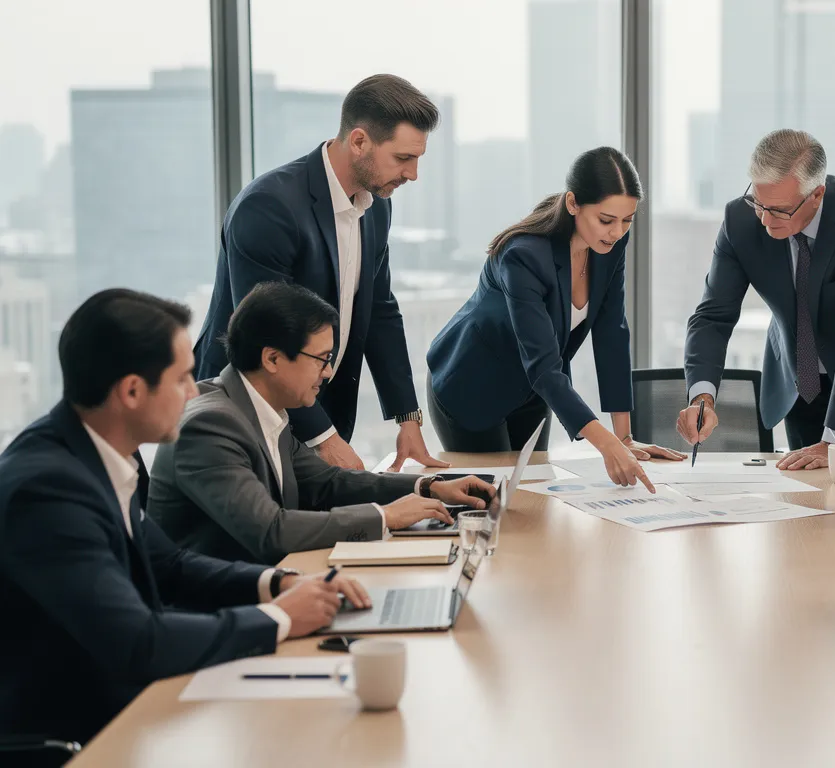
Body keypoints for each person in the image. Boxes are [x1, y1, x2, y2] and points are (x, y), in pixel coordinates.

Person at [0, 289, 372, 749]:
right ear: (132, 391)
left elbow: (170, 564)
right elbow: (136, 641)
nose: (194, 392)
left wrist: (278, 584)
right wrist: (276, 618)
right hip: (79, 732)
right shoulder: (48, 490)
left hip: (129, 700)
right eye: (181, 380)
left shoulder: (103, 456)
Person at [194, 74, 446, 473]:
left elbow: (380, 308)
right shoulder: (268, 207)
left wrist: (407, 418)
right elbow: (266, 335)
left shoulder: (376, 204)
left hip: (318, 403)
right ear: (359, 141)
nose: (412, 174)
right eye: (403, 159)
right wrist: (325, 440)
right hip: (243, 414)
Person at [150, 283, 495, 565]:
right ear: (272, 358)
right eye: (321, 360)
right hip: (221, 608)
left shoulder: (264, 408)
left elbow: (328, 483)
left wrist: (429, 487)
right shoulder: (210, 425)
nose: (328, 372)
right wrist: (385, 517)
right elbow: (270, 530)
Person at [425, 147, 683, 490]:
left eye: (627, 220)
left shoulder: (610, 243)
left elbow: (611, 332)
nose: (617, 232)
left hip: (533, 391)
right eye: (606, 220)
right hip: (474, 384)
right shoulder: (524, 256)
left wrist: (624, 438)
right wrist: (604, 445)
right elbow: (544, 363)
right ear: (573, 204)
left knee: (535, 495)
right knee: (493, 501)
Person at [678, 129, 835, 469]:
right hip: (801, 383)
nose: (764, 220)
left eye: (778, 210)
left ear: (817, 194)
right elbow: (713, 316)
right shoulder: (740, 220)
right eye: (758, 203)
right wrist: (701, 397)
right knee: (809, 498)